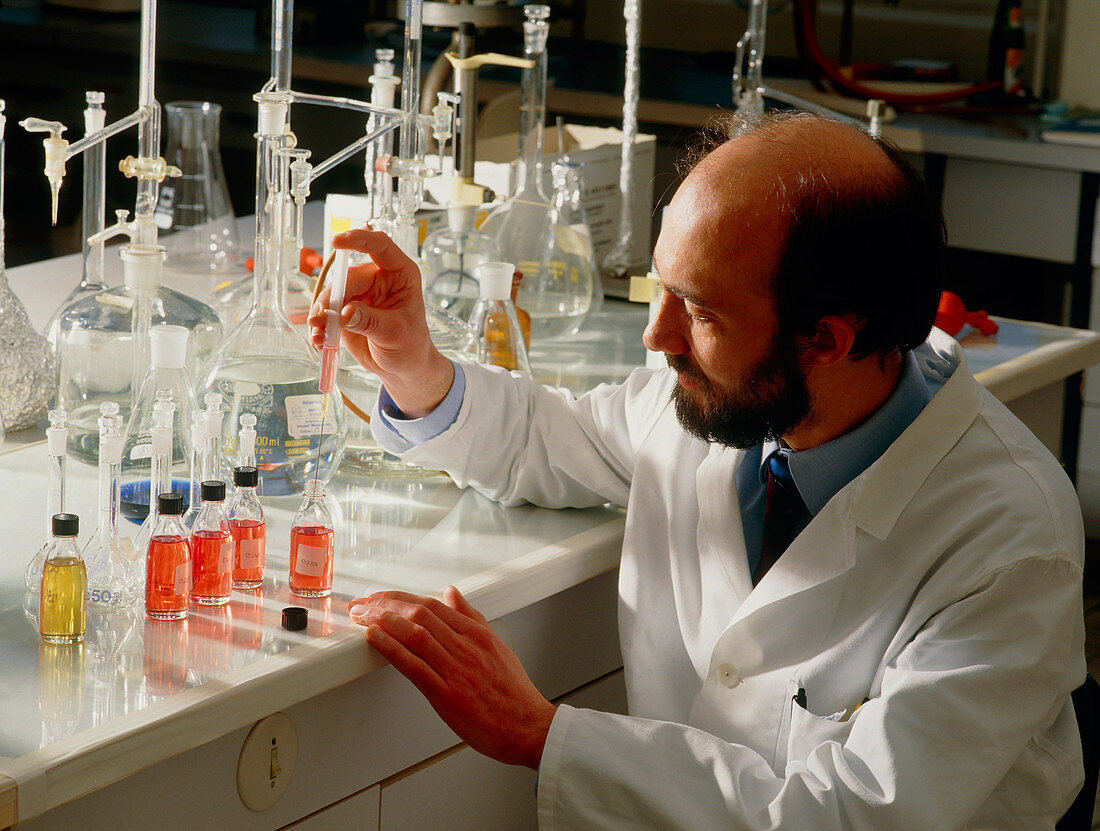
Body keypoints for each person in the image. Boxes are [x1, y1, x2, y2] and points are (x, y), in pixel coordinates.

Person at [308, 111, 1086, 828]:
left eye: (699, 310)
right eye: (661, 286)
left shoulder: (1009, 535)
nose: (656, 335)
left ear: (826, 340)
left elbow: (854, 816)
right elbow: (552, 437)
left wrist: (540, 733)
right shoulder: (730, 405)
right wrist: (411, 365)